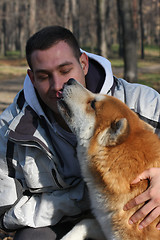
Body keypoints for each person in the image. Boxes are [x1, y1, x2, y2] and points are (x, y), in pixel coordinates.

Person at [0, 25, 160, 240]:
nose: (58, 85)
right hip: (62, 223)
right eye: (44, 76)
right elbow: (5, 210)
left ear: (83, 63)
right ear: (31, 77)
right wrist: (87, 198)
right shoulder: (9, 127)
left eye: (65, 71)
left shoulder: (143, 104)